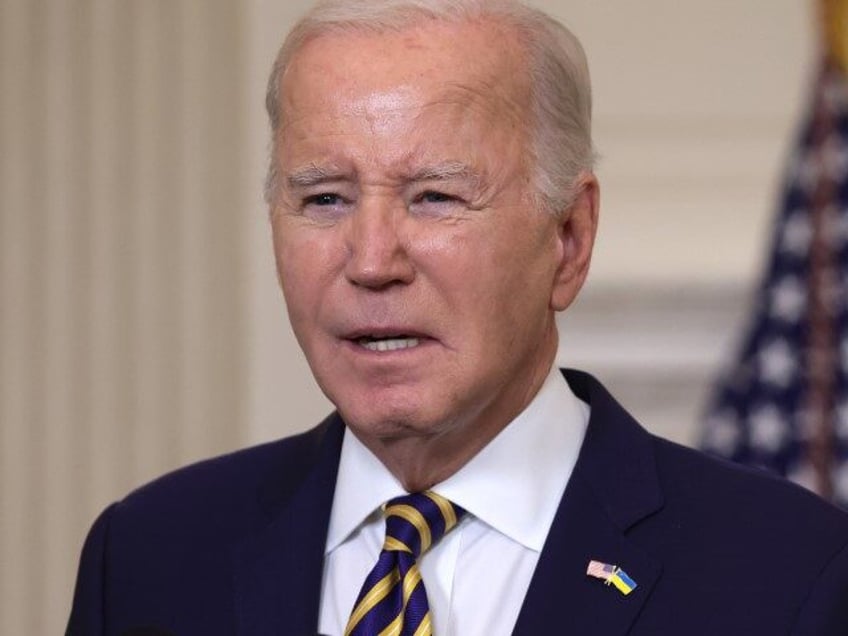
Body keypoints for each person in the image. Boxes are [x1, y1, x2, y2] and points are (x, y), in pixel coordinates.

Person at [68, 1, 848, 634]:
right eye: (324, 198)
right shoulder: (148, 558)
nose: (372, 261)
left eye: (436, 197)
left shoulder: (788, 575)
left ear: (568, 240)